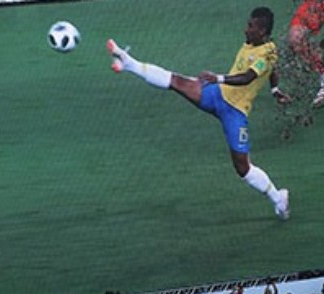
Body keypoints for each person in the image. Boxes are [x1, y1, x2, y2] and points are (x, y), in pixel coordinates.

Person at [107, 7, 291, 220]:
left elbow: (249, 77)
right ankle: (129, 62)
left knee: (242, 167)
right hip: (217, 95)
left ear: (263, 31)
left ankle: (278, 198)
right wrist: (275, 90)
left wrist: (218, 78)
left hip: (235, 113)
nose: (245, 29)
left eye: (251, 26)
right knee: (176, 81)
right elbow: (272, 71)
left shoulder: (267, 53)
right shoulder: (253, 43)